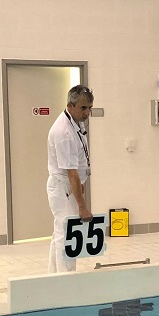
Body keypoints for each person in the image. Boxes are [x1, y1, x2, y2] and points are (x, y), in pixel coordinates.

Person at [47, 85, 94, 273]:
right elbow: (71, 173)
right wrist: (82, 206)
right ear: (70, 105)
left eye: (90, 107)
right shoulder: (64, 133)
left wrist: (80, 187)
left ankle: (53, 276)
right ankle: (65, 279)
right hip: (63, 187)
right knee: (67, 234)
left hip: (68, 186)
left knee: (60, 232)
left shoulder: (75, 122)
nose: (87, 112)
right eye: (83, 108)